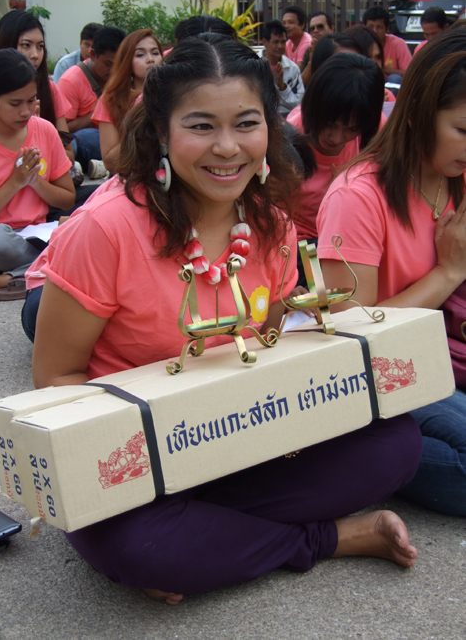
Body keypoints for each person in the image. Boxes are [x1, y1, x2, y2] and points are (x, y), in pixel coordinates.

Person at [31, 33, 421, 604]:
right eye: (200, 126)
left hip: (244, 441)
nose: (227, 147)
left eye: (246, 123)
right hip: (139, 462)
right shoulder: (104, 229)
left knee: (396, 443)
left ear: (270, 127)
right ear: (160, 131)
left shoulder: (271, 224)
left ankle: (207, 542)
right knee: (136, 545)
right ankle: (327, 538)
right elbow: (56, 380)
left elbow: (273, 345)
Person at [316, 29, 466, 517]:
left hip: (448, 357)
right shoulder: (358, 197)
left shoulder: (457, 175)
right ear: (419, 110)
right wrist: (447, 272)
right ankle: (362, 456)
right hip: (387, 371)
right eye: (463, 129)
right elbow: (351, 333)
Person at [0, 49, 74, 302]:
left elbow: (67, 198)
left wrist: (36, 182)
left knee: (78, 224)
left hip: (35, 236)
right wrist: (15, 183)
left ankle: (9, 280)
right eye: (15, 104)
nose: (26, 111)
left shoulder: (45, 130)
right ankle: (48, 268)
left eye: (31, 101)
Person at [287, 53, 384, 278]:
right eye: (330, 124)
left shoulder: (374, 128)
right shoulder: (289, 140)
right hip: (304, 245)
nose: (337, 138)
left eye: (351, 130)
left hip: (355, 234)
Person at [0, 10, 73, 162]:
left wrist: (41, 136)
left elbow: (69, 155)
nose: (35, 54)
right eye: (26, 45)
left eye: (40, 46)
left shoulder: (49, 89)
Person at [92, 29, 162, 175]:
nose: (150, 59)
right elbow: (110, 162)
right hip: (132, 177)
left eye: (155, 53)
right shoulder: (110, 99)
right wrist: (140, 123)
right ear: (127, 62)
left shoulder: (175, 93)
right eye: (140, 55)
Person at [57, 26, 126, 175]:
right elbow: (62, 130)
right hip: (93, 139)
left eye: (119, 65)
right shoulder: (70, 81)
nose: (113, 71)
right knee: (85, 137)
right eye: (108, 64)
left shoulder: (124, 76)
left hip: (118, 138)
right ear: (93, 55)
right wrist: (94, 115)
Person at [261, 20, 304, 115]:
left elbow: (298, 105)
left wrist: (282, 86)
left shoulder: (292, 69)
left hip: (286, 117)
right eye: (275, 42)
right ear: (264, 42)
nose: (280, 46)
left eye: (283, 42)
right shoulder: (252, 64)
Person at [343, 25, 396, 102]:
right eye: (367, 57)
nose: (374, 64)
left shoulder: (387, 96)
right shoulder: (334, 98)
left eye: (378, 57)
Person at [362, 6, 411, 84]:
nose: (375, 31)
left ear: (387, 29)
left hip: (389, 86)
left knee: (394, 78)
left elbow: (410, 74)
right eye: (370, 27)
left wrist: (387, 70)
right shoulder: (360, 42)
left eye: (379, 27)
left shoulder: (398, 44)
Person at [299, 11, 335, 87]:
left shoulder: (338, 48)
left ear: (331, 28)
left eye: (320, 27)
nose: (315, 30)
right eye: (312, 28)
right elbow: (301, 83)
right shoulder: (309, 51)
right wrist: (312, 61)